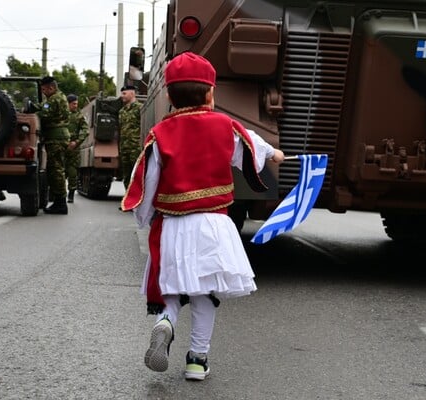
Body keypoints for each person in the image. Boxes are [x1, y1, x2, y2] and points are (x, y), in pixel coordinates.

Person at [121, 52, 285, 381]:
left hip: (173, 225)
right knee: (205, 292)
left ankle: (165, 322)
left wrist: (146, 218)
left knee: (172, 289)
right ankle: (198, 359)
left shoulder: (161, 132)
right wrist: (274, 153)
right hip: (214, 224)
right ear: (211, 93)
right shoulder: (226, 126)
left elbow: (147, 181)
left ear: (168, 95)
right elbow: (252, 147)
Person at [37, 76, 70, 214]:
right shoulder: (55, 98)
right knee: (55, 169)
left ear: (51, 87)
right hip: (57, 137)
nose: (43, 92)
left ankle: (61, 202)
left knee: (56, 170)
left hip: (56, 137)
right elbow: (44, 108)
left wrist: (33, 111)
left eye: (44, 89)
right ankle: (58, 201)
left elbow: (44, 114)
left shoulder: (55, 98)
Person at [64, 94, 89, 203]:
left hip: (73, 148)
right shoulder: (61, 115)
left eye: (76, 104)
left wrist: (77, 142)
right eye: (73, 104)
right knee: (58, 171)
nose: (75, 106)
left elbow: (85, 130)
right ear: (68, 104)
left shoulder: (79, 116)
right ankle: (56, 194)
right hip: (60, 146)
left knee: (72, 172)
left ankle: (71, 194)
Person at [118, 84, 142, 190]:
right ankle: (128, 200)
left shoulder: (140, 109)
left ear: (132, 93)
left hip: (135, 147)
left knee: (137, 174)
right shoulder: (122, 112)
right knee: (126, 175)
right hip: (124, 147)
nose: (122, 96)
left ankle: (138, 201)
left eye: (124, 93)